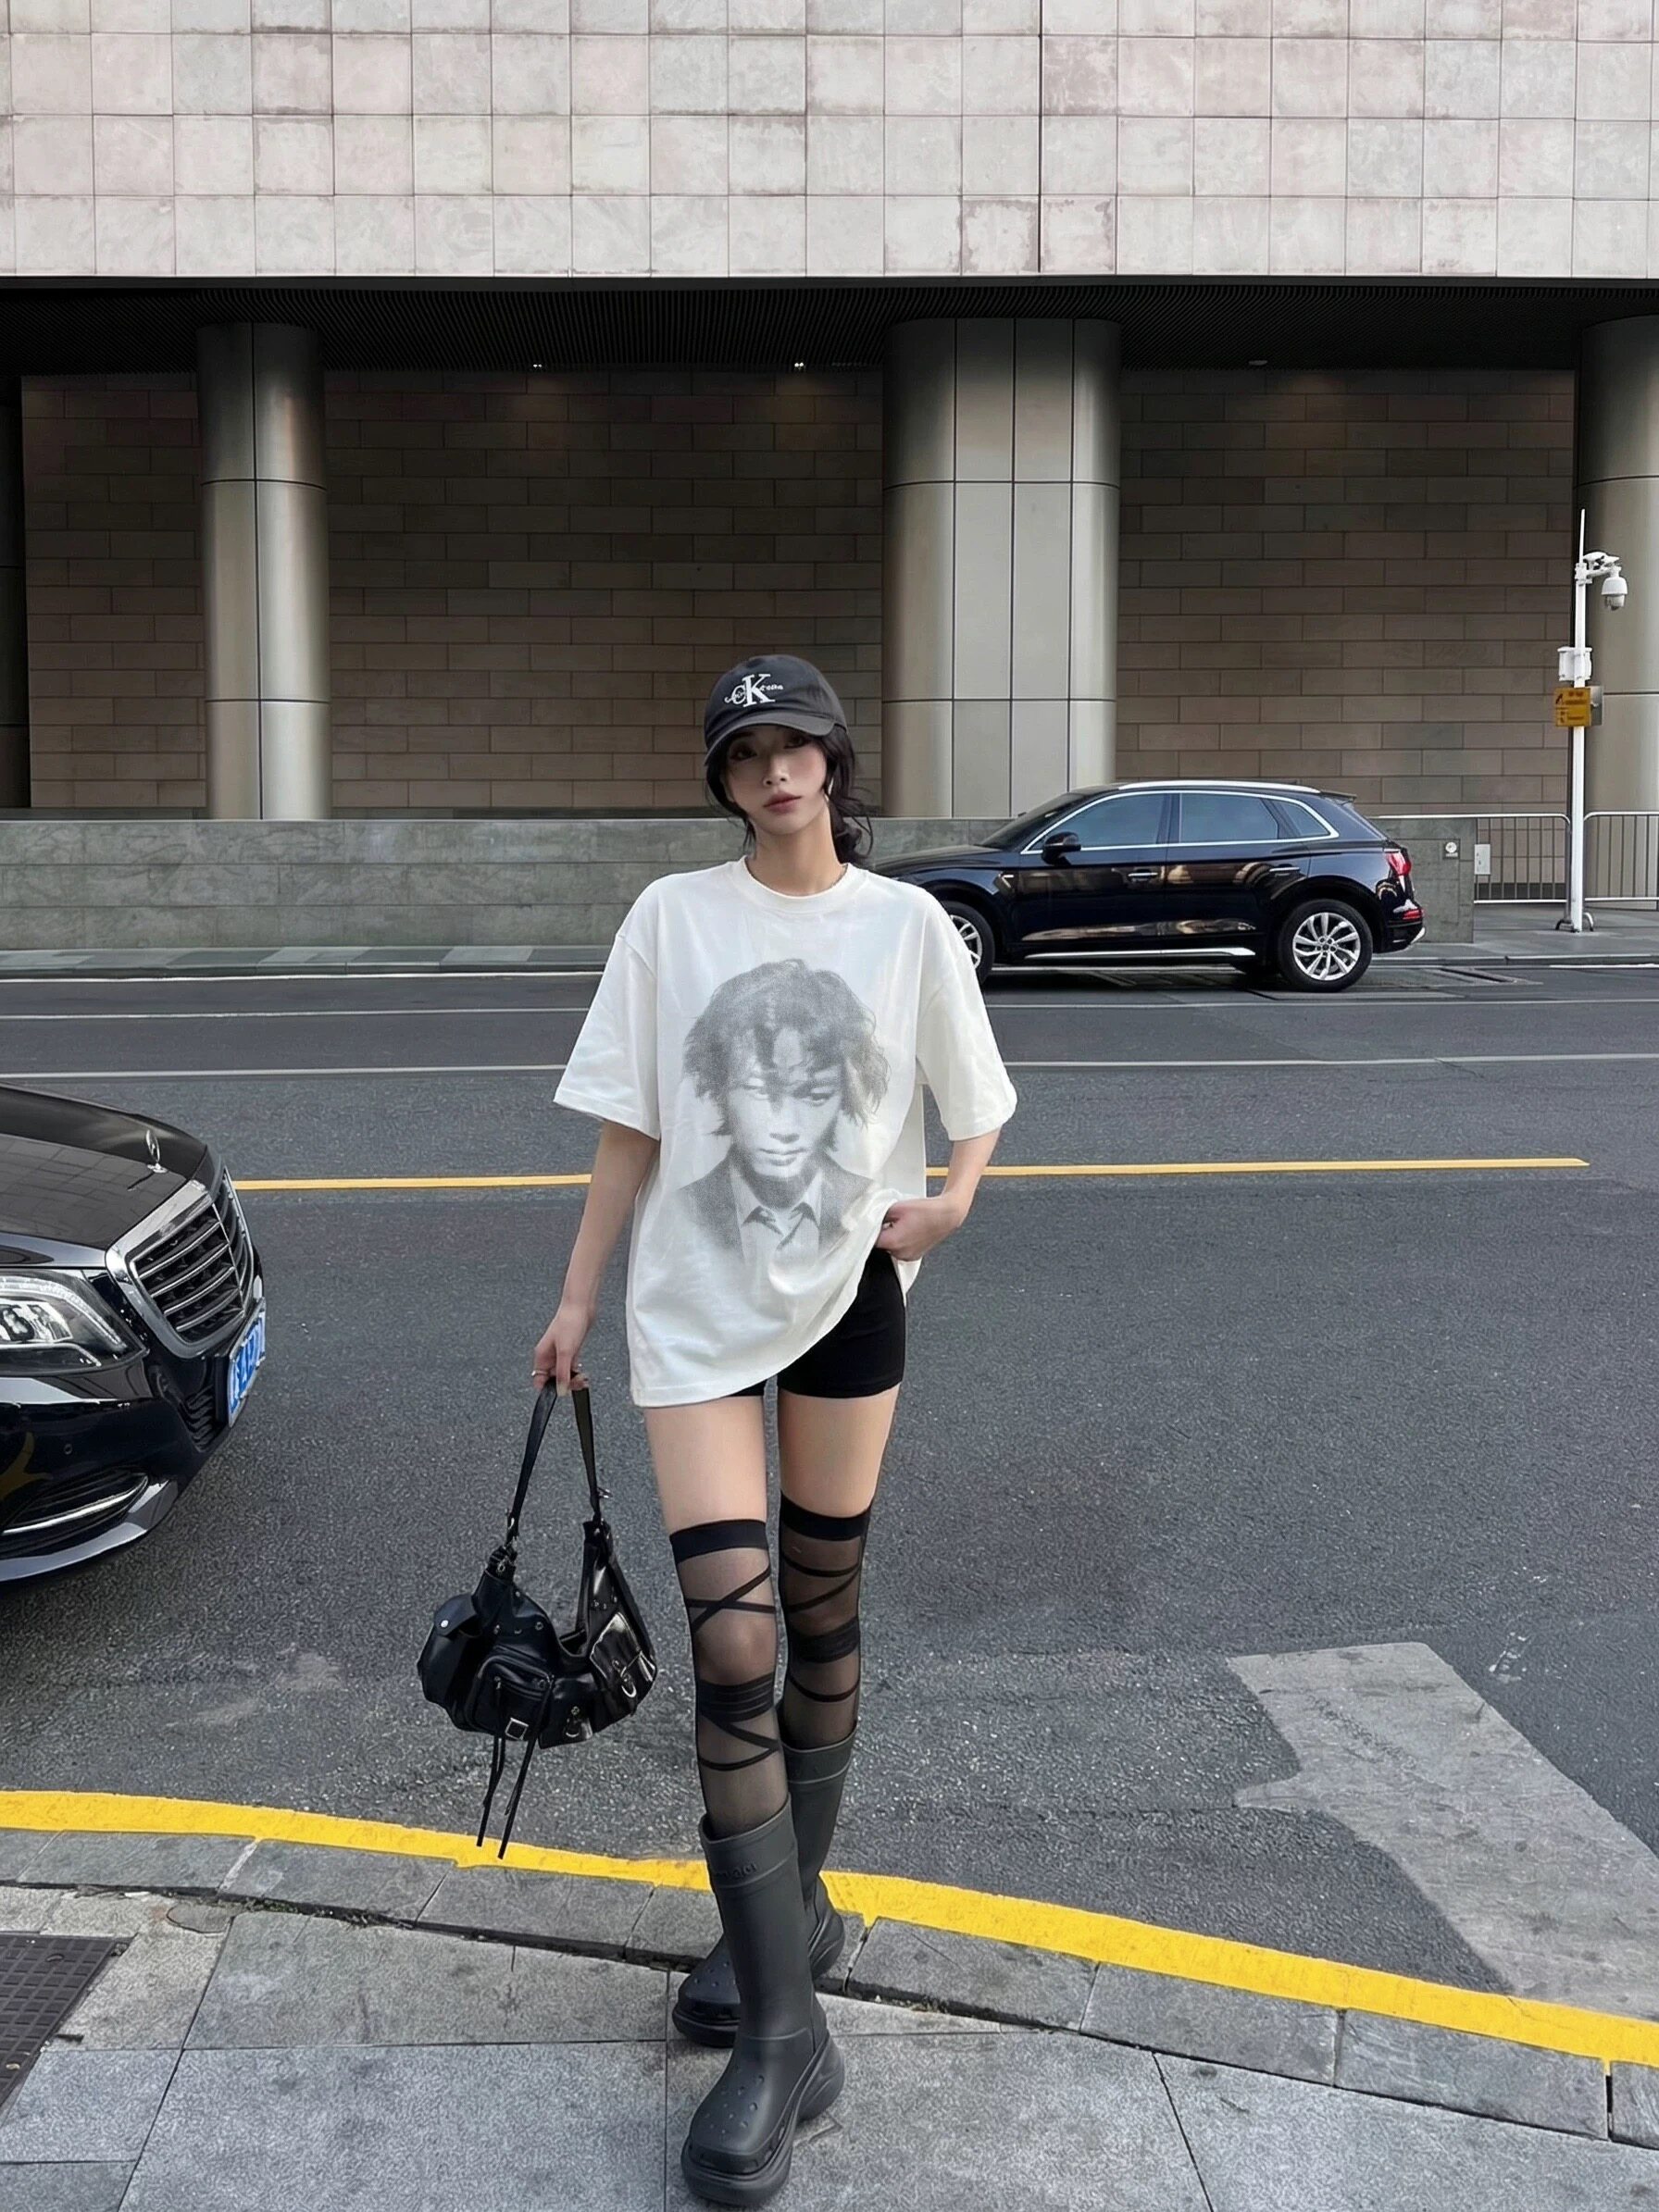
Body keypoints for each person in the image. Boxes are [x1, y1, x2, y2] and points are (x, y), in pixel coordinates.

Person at [532, 653, 1018, 2208]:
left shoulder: (906, 924)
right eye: (748, 753)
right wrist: (576, 1297)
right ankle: (787, 2036)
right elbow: (631, 1119)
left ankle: (785, 1924)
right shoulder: (671, 918)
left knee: (821, 1610)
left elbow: (976, 1096)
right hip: (689, 1313)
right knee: (733, 1643)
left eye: (797, 744)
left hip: (847, 1303)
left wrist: (953, 1201)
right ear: (727, 781)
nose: (776, 769)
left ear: (835, 762)